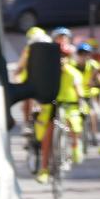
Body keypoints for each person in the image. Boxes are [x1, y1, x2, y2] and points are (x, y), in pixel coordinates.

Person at [34, 28, 87, 185]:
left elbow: (78, 87)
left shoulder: (72, 72)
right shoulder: (47, 71)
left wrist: (82, 102)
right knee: (47, 135)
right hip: (51, 105)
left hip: (69, 105)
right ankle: (44, 168)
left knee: (74, 124)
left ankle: (75, 145)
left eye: (64, 57)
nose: (61, 60)